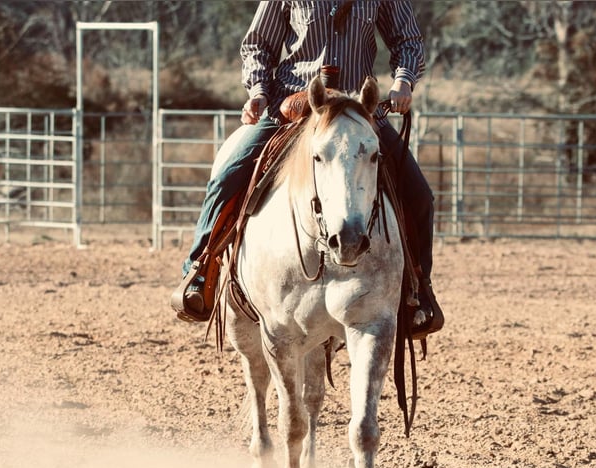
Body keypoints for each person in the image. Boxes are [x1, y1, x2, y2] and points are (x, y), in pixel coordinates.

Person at [179, 0, 442, 337]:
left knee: (419, 196)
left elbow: (408, 40)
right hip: (293, 104)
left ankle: (417, 292)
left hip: (358, 112)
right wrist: (258, 91)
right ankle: (200, 270)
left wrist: (403, 81)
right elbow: (258, 44)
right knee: (227, 176)